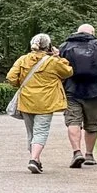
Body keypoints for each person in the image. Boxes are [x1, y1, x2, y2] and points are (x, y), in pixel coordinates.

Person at [6, 32, 73, 175]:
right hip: (46, 102)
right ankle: (34, 160)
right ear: (48, 46)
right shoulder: (53, 62)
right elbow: (68, 72)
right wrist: (58, 56)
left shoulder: (23, 60)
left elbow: (11, 77)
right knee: (41, 132)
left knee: (31, 133)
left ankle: (35, 159)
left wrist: (23, 86)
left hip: (26, 101)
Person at [62, 21, 97, 168]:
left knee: (73, 122)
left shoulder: (65, 46)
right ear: (92, 33)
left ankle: (77, 152)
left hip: (71, 90)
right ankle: (89, 155)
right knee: (92, 126)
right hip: (95, 91)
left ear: (77, 32)